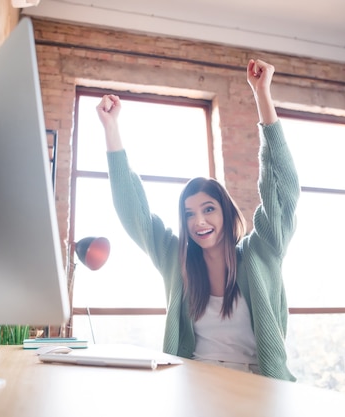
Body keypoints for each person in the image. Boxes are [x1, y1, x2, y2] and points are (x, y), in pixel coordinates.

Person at [95, 59, 300, 381]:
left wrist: (262, 94)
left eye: (208, 209)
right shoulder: (176, 258)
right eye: (189, 214)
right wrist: (111, 129)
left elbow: (282, 189)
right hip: (194, 381)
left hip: (260, 384)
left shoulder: (262, 251)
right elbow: (133, 212)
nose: (199, 221)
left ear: (226, 212)